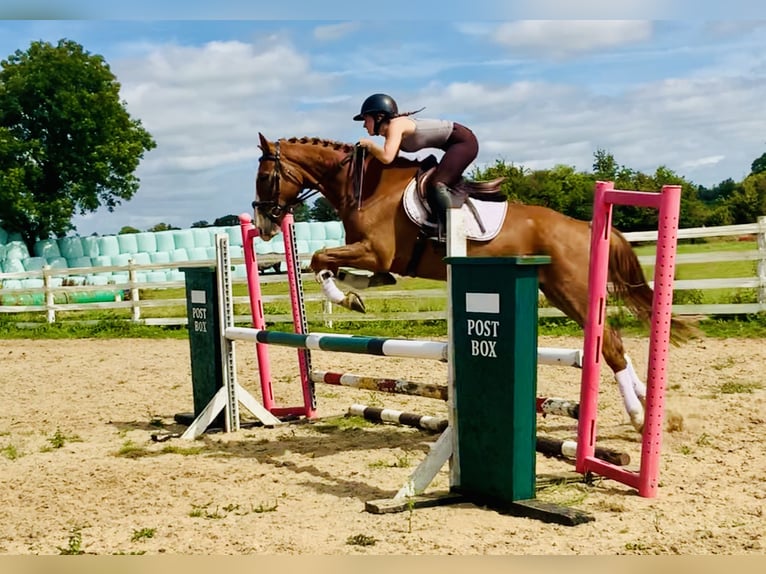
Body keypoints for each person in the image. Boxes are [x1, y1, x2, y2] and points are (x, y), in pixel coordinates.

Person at [353, 93, 479, 236]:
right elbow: (391, 161)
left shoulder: (396, 125)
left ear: (379, 116)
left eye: (365, 119)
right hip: (452, 146)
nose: (364, 125)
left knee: (437, 184)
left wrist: (370, 145)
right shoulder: (391, 132)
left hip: (464, 143)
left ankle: (453, 232)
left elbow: (387, 157)